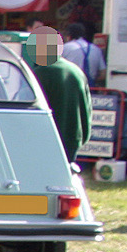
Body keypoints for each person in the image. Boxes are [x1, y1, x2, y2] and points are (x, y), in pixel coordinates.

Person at [27, 25, 91, 160]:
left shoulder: (41, 73)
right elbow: (87, 109)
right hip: (73, 138)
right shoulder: (77, 71)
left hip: (46, 142)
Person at [64, 21, 106, 89]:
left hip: (70, 87)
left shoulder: (65, 48)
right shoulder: (96, 49)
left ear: (69, 36)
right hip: (90, 88)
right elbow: (103, 74)